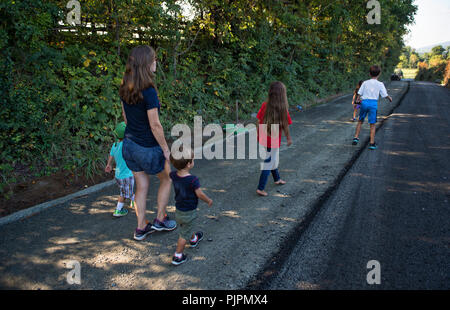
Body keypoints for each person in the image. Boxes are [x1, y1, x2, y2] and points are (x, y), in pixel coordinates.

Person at [119, 45, 176, 241]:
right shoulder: (149, 91)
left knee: (141, 185)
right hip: (147, 148)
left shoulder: (125, 87)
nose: (156, 63)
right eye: (154, 60)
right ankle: (160, 219)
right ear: (146, 64)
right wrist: (166, 150)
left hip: (129, 145)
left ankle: (141, 227)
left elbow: (125, 119)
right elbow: (155, 125)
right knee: (167, 178)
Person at [169, 147, 213, 265]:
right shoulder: (193, 180)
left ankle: (193, 239)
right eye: (192, 160)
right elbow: (199, 194)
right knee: (183, 234)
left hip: (179, 209)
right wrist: (208, 200)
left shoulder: (173, 175)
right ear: (189, 164)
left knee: (186, 227)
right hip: (189, 211)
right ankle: (178, 256)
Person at [256, 81, 293, 197]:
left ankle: (277, 179)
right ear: (282, 94)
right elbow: (286, 126)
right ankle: (260, 188)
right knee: (269, 162)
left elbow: (258, 121)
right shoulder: (283, 109)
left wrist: (259, 135)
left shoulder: (264, 105)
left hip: (263, 136)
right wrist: (288, 138)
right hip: (273, 139)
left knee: (271, 158)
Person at [352, 65, 392, 150]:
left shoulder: (365, 83)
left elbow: (359, 93)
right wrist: (389, 98)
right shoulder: (380, 84)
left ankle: (356, 137)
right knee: (372, 124)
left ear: (369, 73)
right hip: (373, 104)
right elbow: (384, 95)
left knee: (360, 121)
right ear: (379, 74)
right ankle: (372, 143)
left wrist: (358, 100)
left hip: (364, 103)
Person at [105, 121, 135, 217]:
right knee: (124, 193)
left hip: (118, 175)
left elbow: (111, 155)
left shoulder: (115, 145)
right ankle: (118, 210)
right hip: (127, 175)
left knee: (125, 190)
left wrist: (109, 164)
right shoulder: (127, 145)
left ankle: (133, 202)